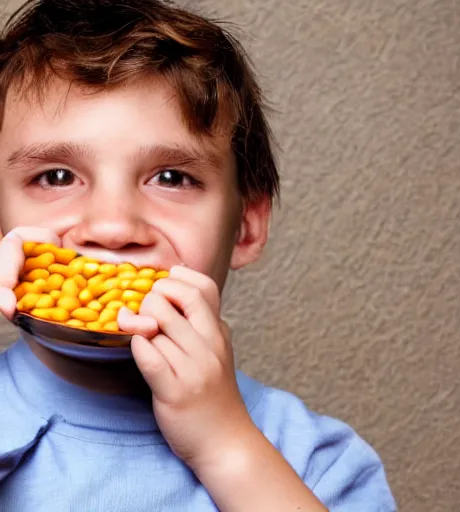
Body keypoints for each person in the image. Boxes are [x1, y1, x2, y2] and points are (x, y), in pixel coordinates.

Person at [0, 1, 396, 510]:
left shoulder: (319, 463)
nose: (114, 228)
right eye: (56, 177)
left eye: (172, 178)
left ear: (246, 229)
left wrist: (226, 447)